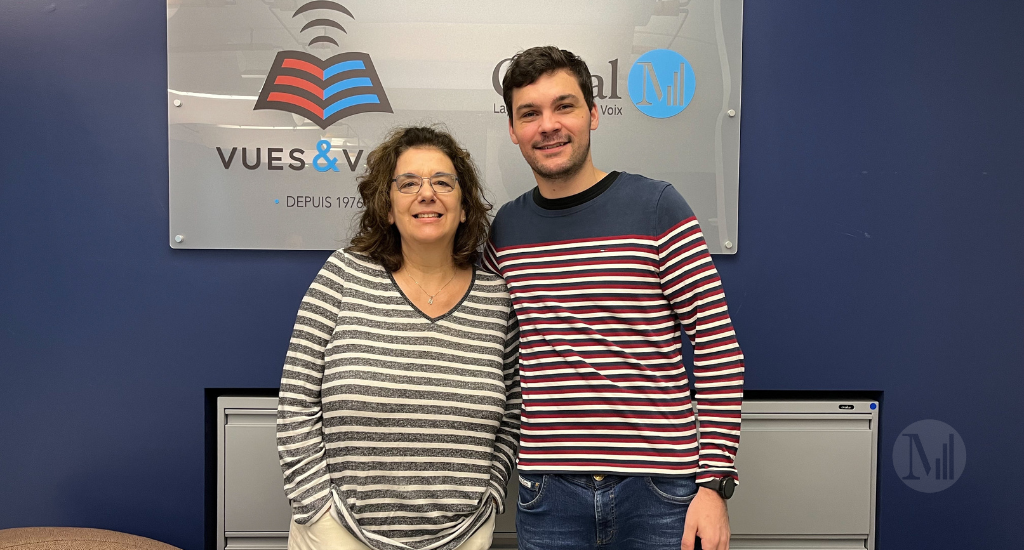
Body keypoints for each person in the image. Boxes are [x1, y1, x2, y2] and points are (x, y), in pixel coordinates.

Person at [484, 46, 745, 550]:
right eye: (529, 114)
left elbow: (717, 347)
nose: (548, 125)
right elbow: (495, 352)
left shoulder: (656, 207)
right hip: (548, 492)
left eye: (564, 106)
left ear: (594, 114)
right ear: (513, 131)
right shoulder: (506, 230)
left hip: (662, 491)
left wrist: (714, 485)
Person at [277, 126, 521, 550]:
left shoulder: (496, 298)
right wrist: (318, 511)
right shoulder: (342, 277)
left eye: (443, 182)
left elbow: (515, 409)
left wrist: (492, 495)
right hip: (339, 535)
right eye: (408, 183)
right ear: (387, 208)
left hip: (462, 538)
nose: (427, 194)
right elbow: (296, 402)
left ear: (464, 207)